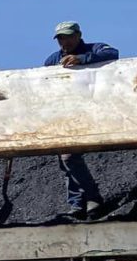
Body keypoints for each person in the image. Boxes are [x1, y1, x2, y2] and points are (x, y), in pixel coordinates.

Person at [44, 21, 120, 218]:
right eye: (61, 38)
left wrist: (82, 59)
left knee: (70, 157)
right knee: (66, 159)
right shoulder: (53, 60)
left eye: (68, 36)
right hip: (65, 115)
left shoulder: (94, 49)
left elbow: (113, 53)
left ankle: (92, 198)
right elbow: (42, 83)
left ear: (78, 35)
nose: (65, 42)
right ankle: (78, 204)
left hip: (91, 111)